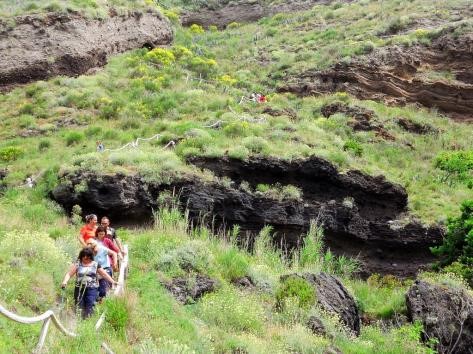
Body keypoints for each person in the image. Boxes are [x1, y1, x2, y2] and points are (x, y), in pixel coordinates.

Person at [61, 248, 117, 319]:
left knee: (90, 304)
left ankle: (88, 320)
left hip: (92, 288)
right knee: (79, 305)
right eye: (83, 256)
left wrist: (113, 281)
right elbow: (69, 274)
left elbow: (104, 274)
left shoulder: (95, 265)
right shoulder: (78, 264)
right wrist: (65, 282)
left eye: (87, 256)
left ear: (91, 257)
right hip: (79, 288)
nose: (85, 258)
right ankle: (79, 321)